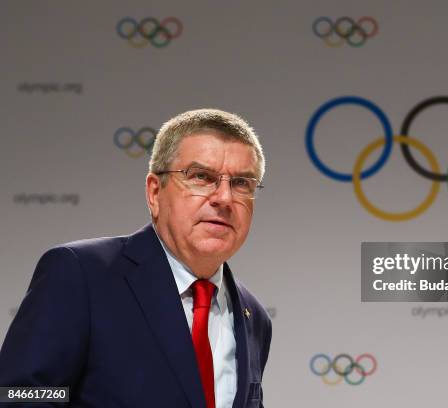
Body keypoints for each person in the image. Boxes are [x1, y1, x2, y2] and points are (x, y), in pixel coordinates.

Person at [0, 109, 272, 408]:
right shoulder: (81, 275)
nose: (224, 198)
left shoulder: (253, 315)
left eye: (241, 183)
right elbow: (19, 395)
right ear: (155, 193)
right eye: (201, 177)